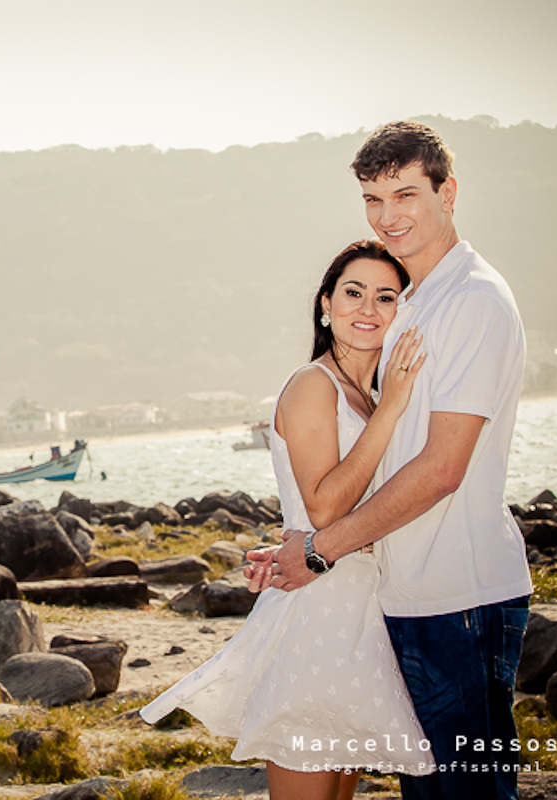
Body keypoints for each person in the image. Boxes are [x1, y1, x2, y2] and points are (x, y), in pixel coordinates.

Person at [257, 121, 533, 800]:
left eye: (406, 194)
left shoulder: (471, 300)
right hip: (403, 599)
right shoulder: (413, 303)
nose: (389, 216)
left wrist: (319, 550)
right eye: (373, 200)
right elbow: (367, 463)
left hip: (460, 600)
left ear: (448, 193)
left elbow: (442, 468)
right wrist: (302, 537)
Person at [142, 240, 431, 800]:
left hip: (365, 612)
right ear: (326, 304)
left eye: (385, 297)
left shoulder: (369, 396)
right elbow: (323, 506)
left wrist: (388, 403)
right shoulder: (313, 385)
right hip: (317, 615)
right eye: (353, 292)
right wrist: (394, 407)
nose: (368, 308)